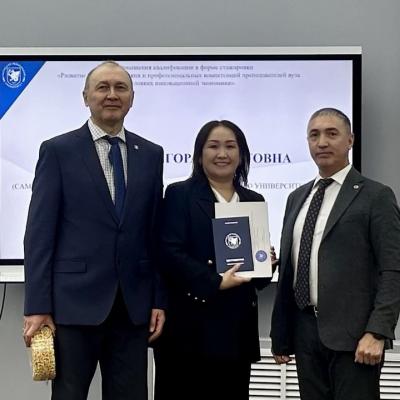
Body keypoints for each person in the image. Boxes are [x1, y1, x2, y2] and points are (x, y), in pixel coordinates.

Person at [23, 61, 166, 400]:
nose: (112, 95)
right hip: (73, 306)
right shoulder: (58, 151)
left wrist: (158, 300)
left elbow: (154, 234)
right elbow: (39, 235)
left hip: (132, 308)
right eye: (103, 87)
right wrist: (37, 305)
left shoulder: (151, 154)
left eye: (121, 88)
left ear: (132, 98)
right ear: (86, 96)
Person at [270, 107, 400, 400]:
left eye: (332, 134)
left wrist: (377, 332)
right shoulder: (296, 197)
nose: (322, 142)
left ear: (350, 140)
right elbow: (295, 264)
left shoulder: (376, 196)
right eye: (314, 135)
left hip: (356, 338)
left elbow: (393, 269)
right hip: (304, 332)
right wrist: (281, 333)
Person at [153, 120, 274, 400]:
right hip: (188, 331)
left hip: (236, 332)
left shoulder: (253, 199)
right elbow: (169, 252)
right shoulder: (180, 194)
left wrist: (267, 262)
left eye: (230, 146)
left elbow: (258, 278)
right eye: (213, 146)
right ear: (199, 155)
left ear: (241, 155)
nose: (222, 154)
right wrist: (215, 281)